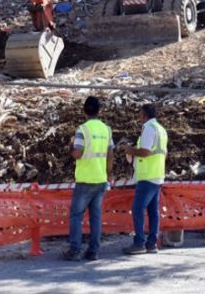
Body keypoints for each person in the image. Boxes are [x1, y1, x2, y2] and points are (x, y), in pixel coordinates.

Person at [63, 96, 114, 261]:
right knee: (96, 217)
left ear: (85, 111)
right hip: (100, 179)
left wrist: (70, 148)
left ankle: (75, 250)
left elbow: (77, 153)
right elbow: (110, 153)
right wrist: (109, 173)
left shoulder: (82, 130)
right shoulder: (106, 129)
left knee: (76, 216)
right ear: (99, 111)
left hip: (85, 180)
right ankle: (93, 251)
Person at [120, 103, 168, 255]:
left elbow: (145, 152)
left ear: (144, 115)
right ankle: (151, 244)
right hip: (157, 174)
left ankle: (139, 242)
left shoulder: (148, 128)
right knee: (153, 211)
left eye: (140, 114)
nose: (139, 117)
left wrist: (130, 150)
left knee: (138, 208)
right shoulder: (161, 129)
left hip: (147, 176)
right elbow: (163, 153)